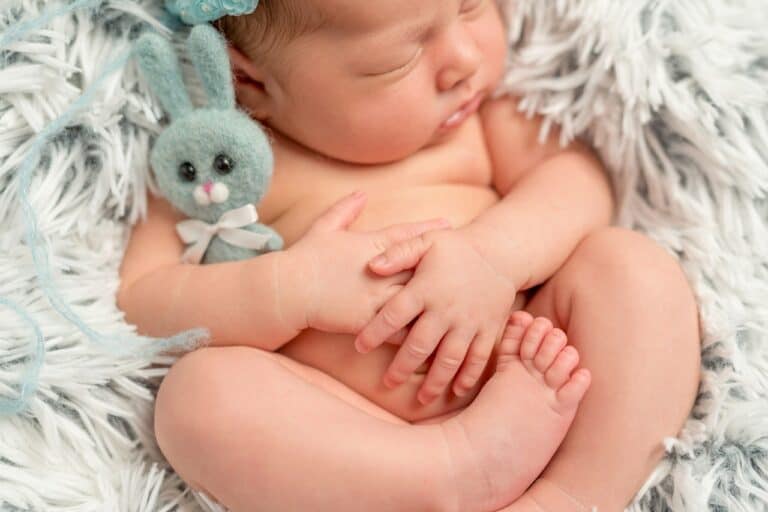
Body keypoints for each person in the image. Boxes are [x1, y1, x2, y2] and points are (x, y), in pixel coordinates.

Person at [117, 1, 701, 510]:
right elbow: (140, 304)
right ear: (251, 84)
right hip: (361, 432)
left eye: (472, 6)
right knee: (196, 399)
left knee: (632, 270)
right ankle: (451, 473)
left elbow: (579, 184)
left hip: (537, 351)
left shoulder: (476, 123)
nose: (464, 61)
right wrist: (289, 288)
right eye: (396, 61)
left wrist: (494, 257)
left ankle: (573, 496)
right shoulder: (222, 171)